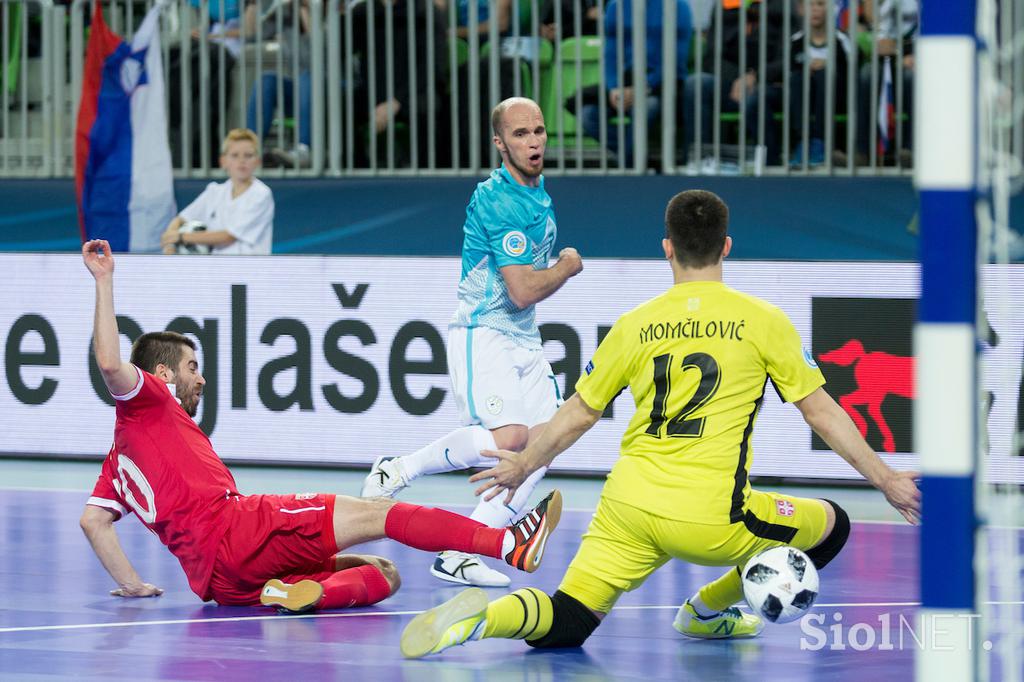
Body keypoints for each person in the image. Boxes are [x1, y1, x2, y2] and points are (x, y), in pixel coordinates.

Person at [398, 189, 921, 658]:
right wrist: (888, 481)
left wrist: (524, 465)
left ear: (667, 248)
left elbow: (579, 412)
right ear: (728, 247)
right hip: (713, 517)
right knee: (833, 525)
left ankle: (483, 620)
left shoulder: (635, 324)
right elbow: (821, 411)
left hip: (628, 506)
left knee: (568, 618)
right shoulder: (764, 320)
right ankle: (707, 612)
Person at [78, 238, 562, 613]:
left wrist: (133, 584)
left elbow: (94, 521)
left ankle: (288, 594)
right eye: (190, 368)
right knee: (380, 513)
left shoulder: (119, 460)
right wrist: (104, 280)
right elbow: (108, 362)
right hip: (239, 529)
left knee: (384, 572)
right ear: (161, 376)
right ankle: (506, 543)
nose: (200, 379)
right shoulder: (150, 399)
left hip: (220, 581)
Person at [361, 97, 583, 588]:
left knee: (549, 442)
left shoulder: (537, 192)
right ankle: (399, 468)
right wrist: (567, 266)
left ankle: (465, 547)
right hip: (484, 331)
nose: (534, 142)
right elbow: (523, 290)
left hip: (524, 338)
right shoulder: (498, 199)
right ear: (499, 143)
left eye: (539, 131)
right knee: (511, 440)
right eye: (521, 134)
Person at [578, 0, 692, 168]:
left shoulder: (678, 6)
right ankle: (636, 160)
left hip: (663, 84)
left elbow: (675, 59)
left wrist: (643, 87)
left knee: (648, 106)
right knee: (588, 116)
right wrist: (614, 87)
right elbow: (610, 53)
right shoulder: (616, 6)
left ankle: (629, 164)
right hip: (626, 83)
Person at [160, 129, 274, 255]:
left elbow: (229, 236)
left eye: (248, 155)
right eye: (235, 155)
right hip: (215, 269)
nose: (242, 161)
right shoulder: (214, 192)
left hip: (250, 269)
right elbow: (181, 219)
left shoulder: (261, 194)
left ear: (258, 161)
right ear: (223, 161)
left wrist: (181, 237)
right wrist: (170, 244)